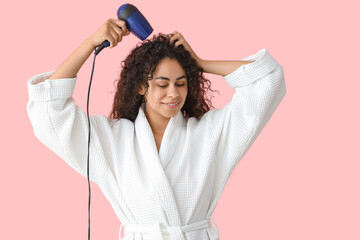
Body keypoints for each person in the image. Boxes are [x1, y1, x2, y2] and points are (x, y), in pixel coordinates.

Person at [26, 19, 286, 240]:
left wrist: (200, 62)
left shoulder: (211, 133)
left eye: (181, 83)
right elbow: (51, 112)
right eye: (162, 84)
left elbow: (267, 80)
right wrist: (91, 43)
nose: (173, 94)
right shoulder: (112, 140)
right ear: (142, 86)